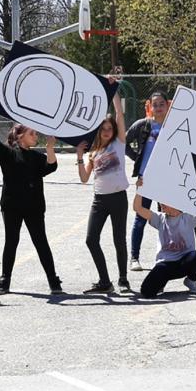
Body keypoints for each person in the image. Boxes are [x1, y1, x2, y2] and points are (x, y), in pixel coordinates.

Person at [0, 110, 63, 295]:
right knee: (11, 241)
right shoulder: (8, 154)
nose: (35, 136)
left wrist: (50, 148)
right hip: (12, 206)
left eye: (36, 133)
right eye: (32, 133)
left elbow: (51, 166)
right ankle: (4, 280)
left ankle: (53, 280)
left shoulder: (36, 157)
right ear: (20, 137)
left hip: (34, 207)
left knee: (41, 242)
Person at [76, 88, 132, 294]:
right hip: (99, 200)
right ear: (98, 131)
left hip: (118, 198)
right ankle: (105, 281)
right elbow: (84, 178)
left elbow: (119, 113)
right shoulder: (94, 152)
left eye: (109, 128)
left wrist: (113, 89)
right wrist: (80, 155)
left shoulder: (119, 143)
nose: (107, 131)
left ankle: (123, 280)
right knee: (91, 240)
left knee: (119, 239)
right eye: (103, 129)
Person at [124, 90, 169, 271]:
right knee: (140, 217)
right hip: (145, 179)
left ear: (167, 105)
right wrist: (138, 159)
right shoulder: (143, 125)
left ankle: (166, 255)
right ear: (150, 106)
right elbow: (124, 142)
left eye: (161, 104)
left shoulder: (174, 126)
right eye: (154, 104)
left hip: (167, 179)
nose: (158, 108)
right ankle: (134, 257)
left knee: (167, 218)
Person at [134, 192, 196, 298]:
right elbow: (138, 208)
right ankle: (161, 283)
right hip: (165, 265)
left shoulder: (188, 217)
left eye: (165, 202)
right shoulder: (159, 218)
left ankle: (191, 280)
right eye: (161, 203)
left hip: (184, 263)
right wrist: (139, 192)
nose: (161, 204)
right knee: (146, 292)